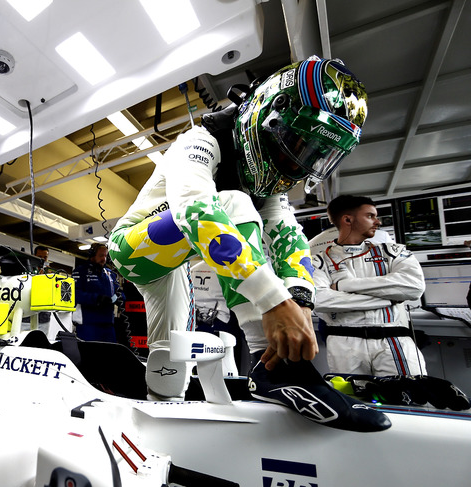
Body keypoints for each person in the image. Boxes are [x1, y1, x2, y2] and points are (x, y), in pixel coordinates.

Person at [108, 57, 389, 431]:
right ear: (268, 116)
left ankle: (160, 425)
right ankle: (269, 364)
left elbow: (290, 239)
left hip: (174, 263)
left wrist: (300, 300)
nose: (299, 162)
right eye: (298, 142)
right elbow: (195, 210)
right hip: (132, 250)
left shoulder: (265, 183)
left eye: (314, 154)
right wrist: (273, 302)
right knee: (233, 203)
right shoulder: (199, 141)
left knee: (171, 358)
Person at [312, 195, 427, 376]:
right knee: (354, 402)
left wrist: (344, 285)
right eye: (370, 216)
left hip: (394, 339)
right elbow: (319, 300)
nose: (378, 222)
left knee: (409, 399)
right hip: (343, 344)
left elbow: (414, 287)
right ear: (348, 219)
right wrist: (390, 299)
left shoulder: (393, 252)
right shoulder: (318, 261)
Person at [72, 243, 119, 342]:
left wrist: (119, 298)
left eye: (105, 256)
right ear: (92, 255)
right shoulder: (80, 271)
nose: (104, 259)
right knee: (90, 355)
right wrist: (97, 299)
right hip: (88, 323)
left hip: (108, 324)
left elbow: (119, 292)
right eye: (101, 255)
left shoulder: (110, 274)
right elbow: (75, 294)